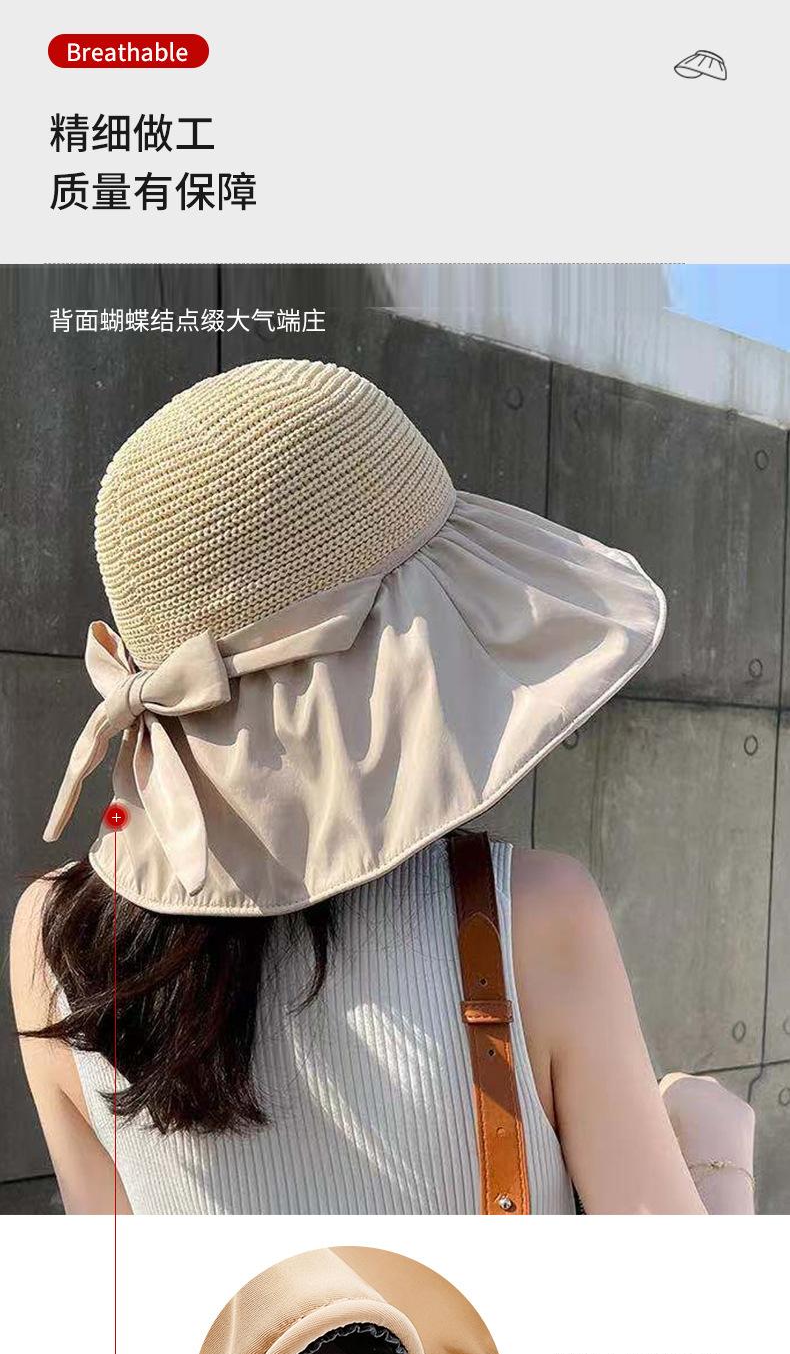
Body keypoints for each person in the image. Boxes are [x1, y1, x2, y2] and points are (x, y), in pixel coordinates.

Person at [10, 359, 756, 1216]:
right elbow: (681, 1302)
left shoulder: (51, 941)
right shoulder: (534, 915)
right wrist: (715, 1149)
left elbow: (121, 1291)